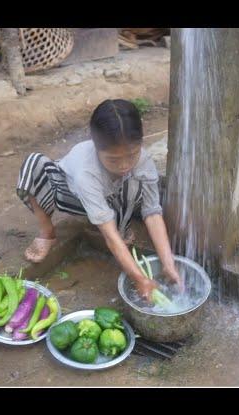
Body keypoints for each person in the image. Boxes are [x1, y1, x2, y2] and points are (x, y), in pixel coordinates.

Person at [16, 99, 181, 299]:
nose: (123, 165)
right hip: (70, 195)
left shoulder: (143, 161)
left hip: (109, 197)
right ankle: (47, 232)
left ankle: (119, 224)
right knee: (34, 163)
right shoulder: (86, 170)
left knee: (136, 182)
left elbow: (152, 213)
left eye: (132, 155)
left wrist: (168, 263)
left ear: (141, 143)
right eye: (113, 159)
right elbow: (110, 237)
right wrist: (140, 279)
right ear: (95, 146)